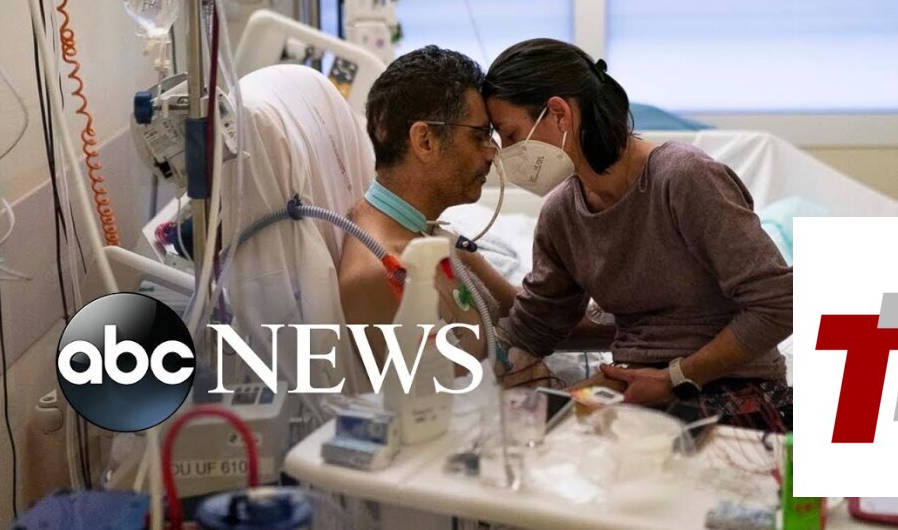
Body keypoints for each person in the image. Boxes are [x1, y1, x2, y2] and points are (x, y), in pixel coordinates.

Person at [482, 38, 794, 431]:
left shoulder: (682, 178)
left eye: (510, 134)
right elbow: (536, 324)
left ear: (559, 114)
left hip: (731, 388)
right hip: (635, 389)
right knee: (517, 438)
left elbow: (782, 303)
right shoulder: (561, 213)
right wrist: (463, 359)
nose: (503, 152)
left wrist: (675, 377)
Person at [337, 45, 523, 374]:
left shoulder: (426, 231)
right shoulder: (379, 274)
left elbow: (524, 311)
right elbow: (440, 397)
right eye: (480, 136)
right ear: (425, 141)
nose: (491, 153)